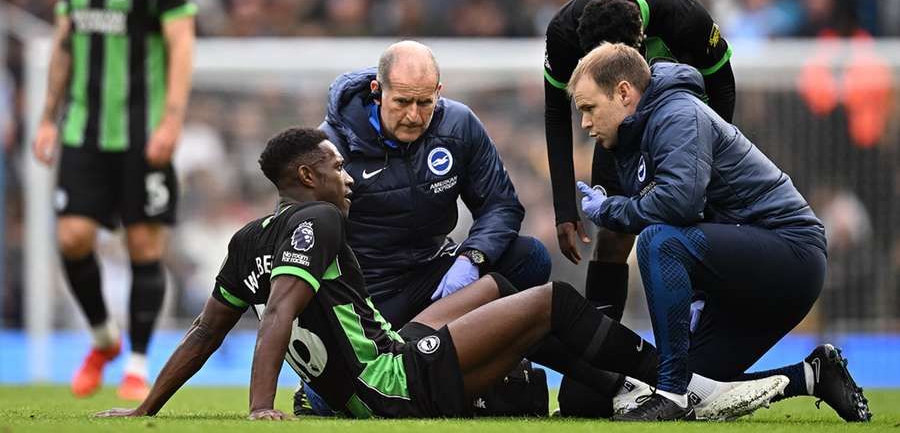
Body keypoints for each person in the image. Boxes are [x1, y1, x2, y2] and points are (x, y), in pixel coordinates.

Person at [94, 127, 789, 421]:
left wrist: (147, 408)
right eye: (335, 166)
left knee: (499, 286)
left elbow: (205, 330)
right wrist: (258, 406)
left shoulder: (250, 238)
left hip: (378, 363)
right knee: (549, 301)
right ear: (305, 176)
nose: (347, 177)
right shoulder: (323, 222)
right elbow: (279, 312)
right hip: (390, 380)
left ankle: (601, 389)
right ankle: (666, 391)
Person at [569, 43, 871, 422]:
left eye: (589, 108)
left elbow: (679, 204)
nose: (584, 123)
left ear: (624, 92)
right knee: (701, 385)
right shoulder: (636, 136)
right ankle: (812, 376)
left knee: (658, 242)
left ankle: (670, 395)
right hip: (746, 272)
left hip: (792, 252)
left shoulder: (676, 114)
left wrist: (611, 209)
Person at [31, 0, 196, 400]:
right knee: (72, 237)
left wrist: (171, 119)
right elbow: (62, 47)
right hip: (83, 132)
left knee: (144, 244)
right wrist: (47, 118)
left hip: (141, 134)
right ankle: (103, 339)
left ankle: (139, 364)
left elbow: (182, 45)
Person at [544, 0, 736, 325]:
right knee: (613, 234)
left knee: (687, 224)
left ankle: (702, 328)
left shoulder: (685, 17)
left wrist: (711, 166)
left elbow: (722, 84)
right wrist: (564, 207)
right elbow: (557, 111)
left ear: (640, 40)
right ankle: (600, 357)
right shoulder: (562, 31)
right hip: (619, 127)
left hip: (678, 126)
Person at [320, 40, 550, 326]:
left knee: (532, 257)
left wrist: (472, 258)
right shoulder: (330, 148)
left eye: (425, 102)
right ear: (377, 93)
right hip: (372, 296)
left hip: (437, 274)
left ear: (438, 93)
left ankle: (436, 345)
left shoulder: (458, 125)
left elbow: (501, 206)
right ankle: (433, 344)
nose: (414, 115)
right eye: (402, 102)